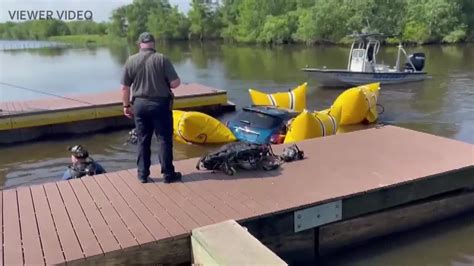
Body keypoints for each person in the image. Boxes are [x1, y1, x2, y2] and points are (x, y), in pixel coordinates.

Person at [120, 32, 182, 184]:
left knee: (143, 140)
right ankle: (168, 174)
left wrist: (126, 105)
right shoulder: (162, 59)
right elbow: (175, 83)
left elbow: (124, 88)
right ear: (153, 43)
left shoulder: (131, 60)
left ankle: (142, 174)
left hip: (139, 105)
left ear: (139, 44)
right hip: (160, 104)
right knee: (164, 140)